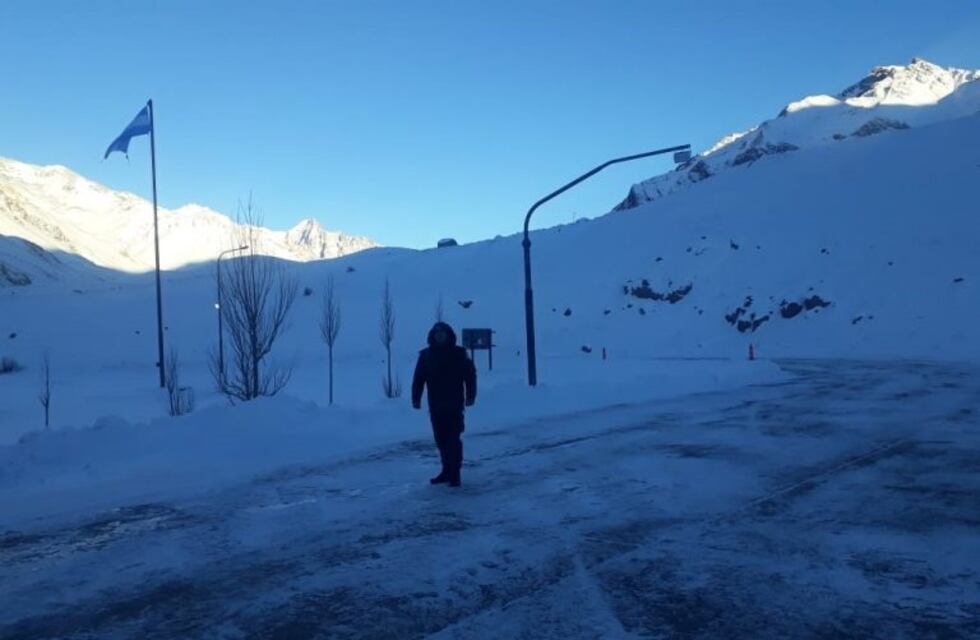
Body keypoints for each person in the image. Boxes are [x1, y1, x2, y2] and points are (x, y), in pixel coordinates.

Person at [412, 322, 477, 488]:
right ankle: (446, 470)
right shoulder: (426, 356)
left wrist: (471, 395)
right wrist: (416, 398)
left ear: (449, 335)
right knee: (440, 440)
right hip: (435, 405)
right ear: (432, 336)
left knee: (453, 440)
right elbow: (419, 379)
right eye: (436, 333)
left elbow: (470, 376)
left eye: (443, 333)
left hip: (454, 405)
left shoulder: (459, 354)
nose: (439, 335)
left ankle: (455, 474)